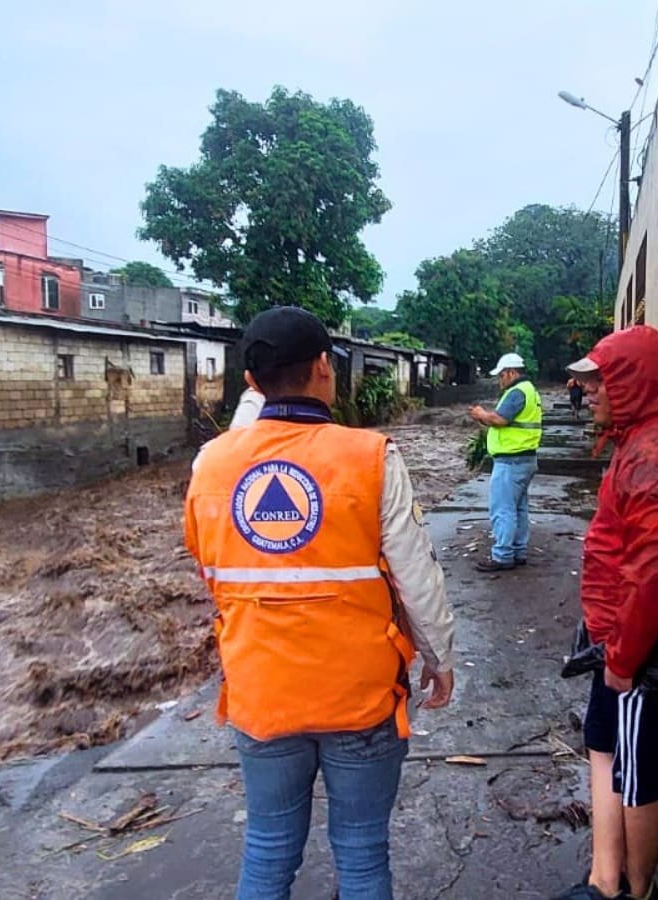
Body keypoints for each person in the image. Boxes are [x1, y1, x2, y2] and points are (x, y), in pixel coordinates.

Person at [185, 307, 457, 900]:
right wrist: (438, 659)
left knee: (267, 848)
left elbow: (212, 572)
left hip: (262, 689)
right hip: (360, 694)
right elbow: (416, 576)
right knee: (360, 852)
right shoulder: (370, 456)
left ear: (252, 383)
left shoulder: (211, 463)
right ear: (323, 369)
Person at [556, 326, 658, 900]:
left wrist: (625, 659)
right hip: (630, 640)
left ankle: (636, 889)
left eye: (599, 382)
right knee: (605, 744)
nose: (590, 393)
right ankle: (607, 883)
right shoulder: (642, 438)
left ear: (631, 383)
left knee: (640, 774)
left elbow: (653, 575)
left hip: (656, 649)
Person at [469, 352, 544, 572]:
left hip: (511, 461)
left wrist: (481, 413)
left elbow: (500, 420)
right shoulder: (529, 391)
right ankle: (518, 551)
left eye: (501, 375)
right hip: (524, 459)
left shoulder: (517, 392)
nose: (499, 380)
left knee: (503, 509)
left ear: (511, 372)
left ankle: (503, 555)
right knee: (518, 508)